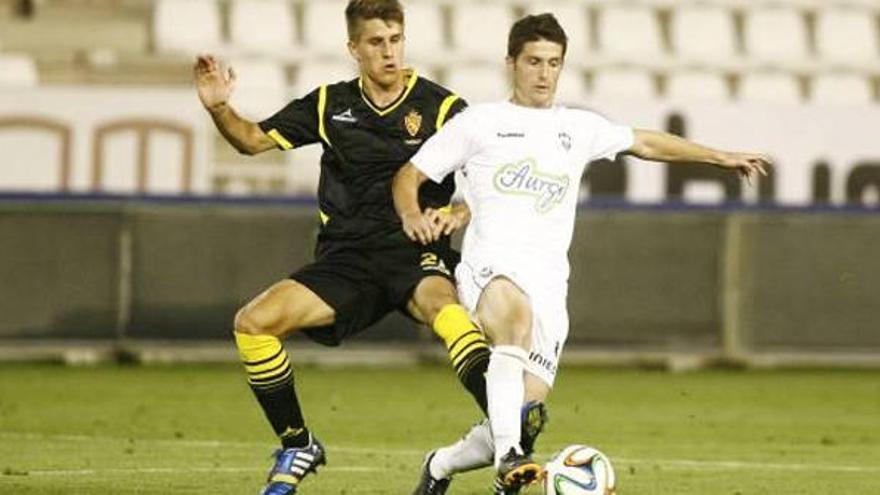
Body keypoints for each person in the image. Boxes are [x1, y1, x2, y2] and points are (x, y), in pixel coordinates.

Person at [392, 13, 771, 494]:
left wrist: (718, 156)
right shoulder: (480, 123)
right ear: (511, 63)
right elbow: (410, 175)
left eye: (554, 63)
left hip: (549, 283)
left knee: (520, 412)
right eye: (534, 61)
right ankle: (511, 461)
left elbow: (646, 142)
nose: (544, 73)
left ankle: (441, 466)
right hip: (491, 267)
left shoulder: (578, 127)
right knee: (513, 322)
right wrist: (411, 214)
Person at [193, 1, 495, 493]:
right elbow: (250, 141)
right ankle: (297, 443)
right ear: (353, 48)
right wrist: (219, 107)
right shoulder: (327, 104)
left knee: (449, 312)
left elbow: (489, 184)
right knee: (252, 324)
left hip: (414, 252)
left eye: (395, 40)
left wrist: (457, 213)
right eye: (376, 43)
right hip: (348, 259)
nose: (389, 52)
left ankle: (509, 436)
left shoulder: (442, 108)